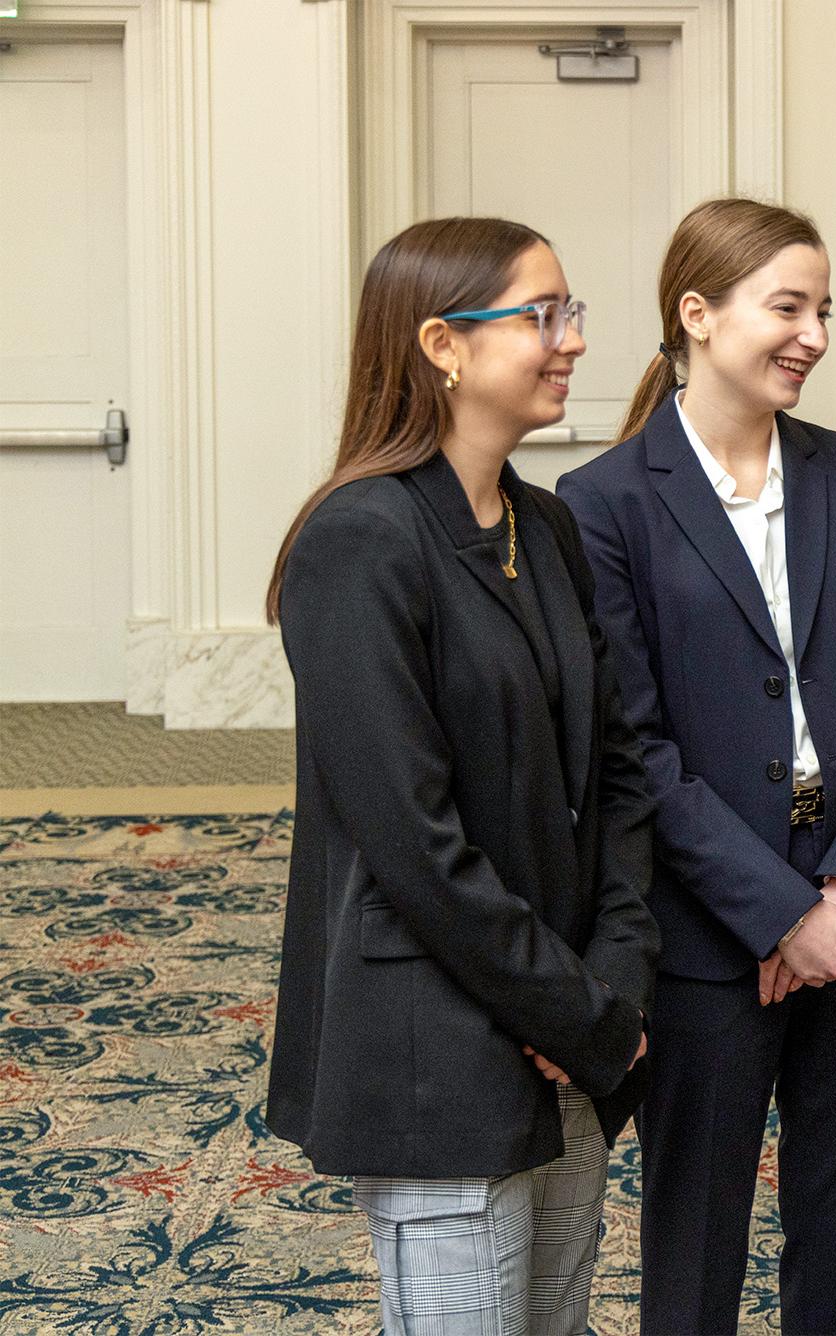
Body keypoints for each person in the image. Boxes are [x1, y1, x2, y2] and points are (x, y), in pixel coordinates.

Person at [556, 197, 836, 1335]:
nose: (814, 333)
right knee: (694, 1235)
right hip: (706, 933)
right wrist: (780, 914)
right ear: (697, 314)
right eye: (788, 306)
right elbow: (635, 750)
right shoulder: (603, 506)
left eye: (822, 308)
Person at [265, 216, 659, 1336]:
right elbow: (412, 842)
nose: (570, 339)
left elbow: (617, 774)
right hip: (441, 1043)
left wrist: (613, 983)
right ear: (441, 343)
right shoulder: (359, 541)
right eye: (542, 316)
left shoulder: (547, 524)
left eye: (568, 312)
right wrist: (572, 1009)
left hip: (574, 1028)